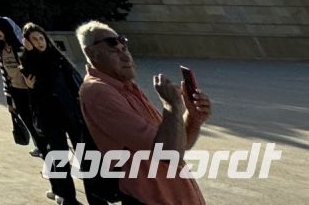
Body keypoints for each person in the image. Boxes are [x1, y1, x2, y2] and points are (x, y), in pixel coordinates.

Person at [76, 21, 213, 205]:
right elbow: (168, 152)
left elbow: (178, 145)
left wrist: (193, 118)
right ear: (91, 53)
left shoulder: (127, 88)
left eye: (125, 48)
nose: (125, 56)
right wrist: (172, 105)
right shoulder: (97, 91)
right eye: (114, 49)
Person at [20, 23, 112, 205]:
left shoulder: (58, 58)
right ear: (28, 42)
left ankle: (98, 198)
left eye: (41, 38)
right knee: (58, 157)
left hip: (71, 113)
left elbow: (76, 83)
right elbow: (33, 87)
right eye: (34, 40)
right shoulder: (28, 62)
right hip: (50, 117)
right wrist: (27, 53)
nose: (39, 43)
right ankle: (67, 198)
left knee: (86, 156)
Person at [0, 16, 46, 156]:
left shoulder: (21, 47)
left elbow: (37, 66)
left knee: (41, 123)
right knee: (29, 123)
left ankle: (51, 150)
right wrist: (9, 100)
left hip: (30, 91)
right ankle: (42, 150)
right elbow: (4, 75)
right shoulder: (0, 50)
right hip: (16, 92)